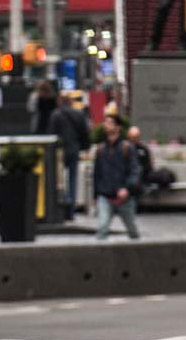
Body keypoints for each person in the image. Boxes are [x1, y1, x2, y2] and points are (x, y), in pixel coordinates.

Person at [90, 116, 143, 240]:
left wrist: (127, 188)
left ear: (118, 127)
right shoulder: (100, 149)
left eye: (109, 123)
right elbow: (97, 174)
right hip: (105, 195)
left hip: (125, 197)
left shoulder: (127, 147)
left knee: (132, 230)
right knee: (102, 228)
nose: (106, 125)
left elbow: (135, 171)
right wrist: (95, 195)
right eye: (105, 123)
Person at [47, 89, 90, 220]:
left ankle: (63, 207)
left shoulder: (56, 114)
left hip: (60, 151)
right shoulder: (78, 114)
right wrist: (84, 147)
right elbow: (85, 133)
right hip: (73, 149)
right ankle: (70, 209)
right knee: (72, 180)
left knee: (60, 181)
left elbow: (51, 133)